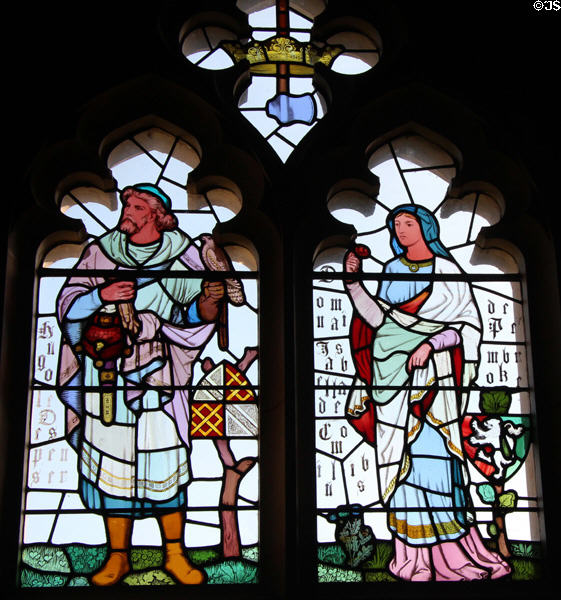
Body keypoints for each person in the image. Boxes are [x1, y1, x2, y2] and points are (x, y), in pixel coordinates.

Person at [56, 183, 229, 585]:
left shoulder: (185, 255)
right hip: (109, 377)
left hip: (159, 376)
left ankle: (175, 555)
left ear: (156, 214)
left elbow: (191, 317)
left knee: (166, 466)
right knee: (111, 469)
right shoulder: (100, 252)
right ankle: (118, 556)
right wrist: (102, 293)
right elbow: (68, 305)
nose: (127, 212)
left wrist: (206, 306)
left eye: (135, 206)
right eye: (127, 205)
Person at [344, 204, 511, 581]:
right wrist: (354, 284)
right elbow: (382, 321)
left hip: (434, 382)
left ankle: (454, 556)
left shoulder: (447, 270)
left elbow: (465, 326)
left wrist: (432, 344)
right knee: (402, 466)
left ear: (425, 226)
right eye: (396, 225)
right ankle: (412, 559)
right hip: (392, 379)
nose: (401, 230)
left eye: (408, 223)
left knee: (435, 459)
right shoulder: (390, 271)